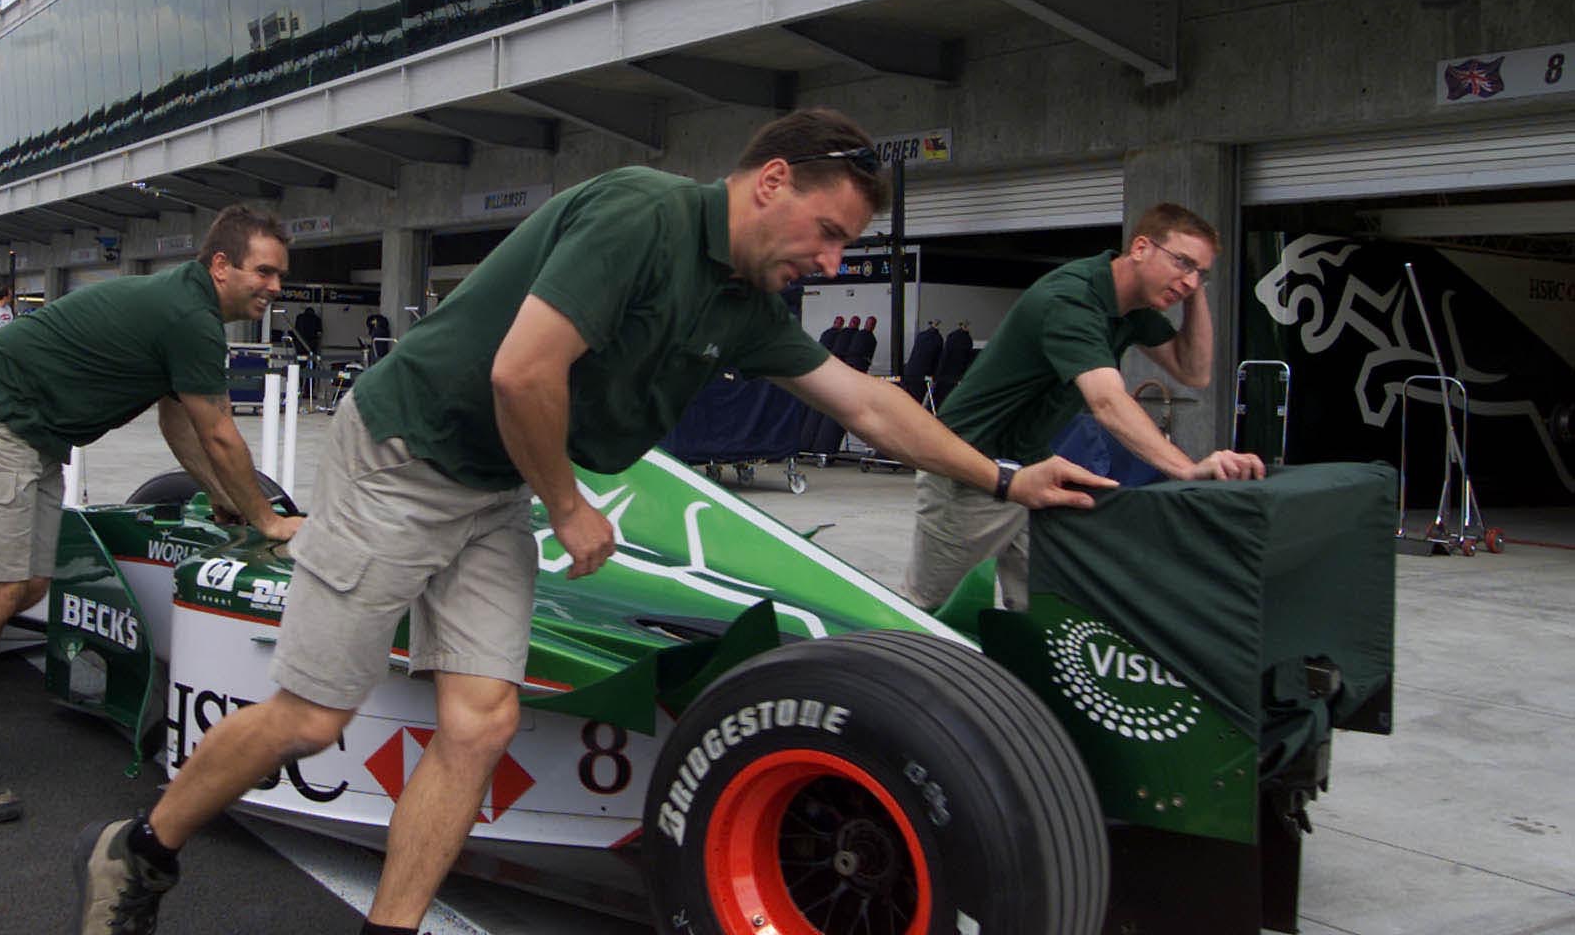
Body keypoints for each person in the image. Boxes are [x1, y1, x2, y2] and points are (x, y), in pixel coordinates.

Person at [71, 108, 1111, 935]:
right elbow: (521, 370)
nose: (833, 262)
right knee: (312, 716)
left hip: (490, 487)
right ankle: (141, 852)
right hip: (401, 455)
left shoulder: (745, 303)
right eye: (829, 232)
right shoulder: (638, 215)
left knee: (480, 721)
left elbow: (870, 404)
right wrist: (567, 506)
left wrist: (1004, 477)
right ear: (769, 184)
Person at [0, 205, 303, 823]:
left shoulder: (188, 307)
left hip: (32, 434)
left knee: (28, 583)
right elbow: (220, 433)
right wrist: (267, 519)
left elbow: (180, 423)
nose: (275, 288)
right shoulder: (189, 314)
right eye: (265, 272)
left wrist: (221, 497)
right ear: (221, 265)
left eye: (279, 276)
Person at [902, 202, 1268, 613]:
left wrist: (1193, 288)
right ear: (1142, 247)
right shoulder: (1073, 299)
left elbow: (1194, 371)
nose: (1188, 281)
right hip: (969, 469)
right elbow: (1108, 402)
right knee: (930, 614)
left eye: (1201, 272)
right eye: (1182, 262)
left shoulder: (1133, 308)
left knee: (1048, 613)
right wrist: (1186, 469)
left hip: (1033, 469)